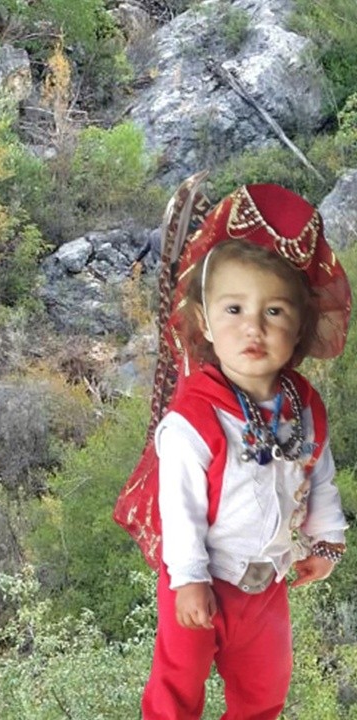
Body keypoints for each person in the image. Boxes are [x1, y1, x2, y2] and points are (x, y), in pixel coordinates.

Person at [140, 184, 351, 718]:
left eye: (275, 311)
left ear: (300, 326)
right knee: (177, 686)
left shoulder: (303, 406)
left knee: (265, 686)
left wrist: (325, 541)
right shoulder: (193, 418)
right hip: (201, 573)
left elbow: (318, 474)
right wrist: (187, 579)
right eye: (233, 309)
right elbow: (180, 508)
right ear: (206, 322)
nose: (253, 327)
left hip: (265, 581)